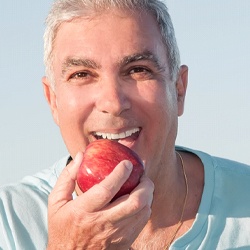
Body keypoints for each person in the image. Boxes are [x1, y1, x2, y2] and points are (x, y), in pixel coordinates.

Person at [1, 0, 250, 249]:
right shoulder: (9, 221)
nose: (113, 102)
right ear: (53, 101)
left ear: (179, 90)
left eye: (138, 69)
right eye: (81, 74)